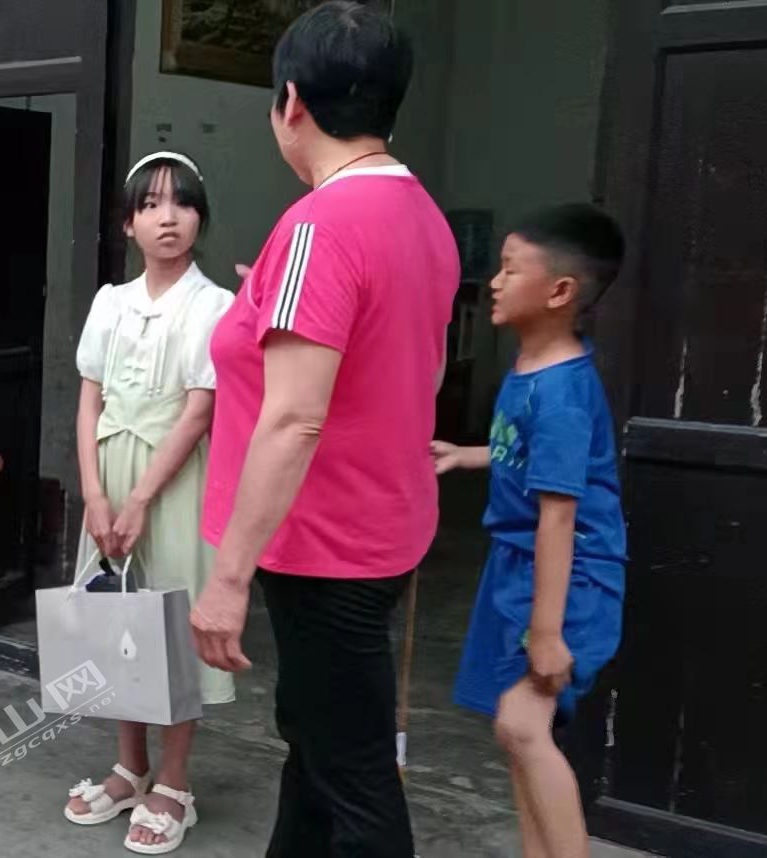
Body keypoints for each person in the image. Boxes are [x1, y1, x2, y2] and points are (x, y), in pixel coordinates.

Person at [187, 3, 458, 855]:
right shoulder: (422, 216)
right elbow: (415, 370)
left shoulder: (320, 223)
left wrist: (228, 579)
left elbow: (295, 417)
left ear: (292, 102)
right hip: (380, 531)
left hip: (322, 545)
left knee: (355, 779)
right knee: (317, 743)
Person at [431, 204, 627, 858]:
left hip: (569, 579)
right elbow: (531, 454)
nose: (494, 281)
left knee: (521, 726)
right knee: (517, 731)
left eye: (511, 270)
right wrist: (471, 454)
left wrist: (546, 632)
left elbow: (559, 516)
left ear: (560, 291)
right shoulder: (530, 369)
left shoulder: (562, 391)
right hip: (517, 568)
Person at [61, 151, 233, 855]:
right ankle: (130, 766)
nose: (168, 217)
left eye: (183, 203)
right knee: (118, 621)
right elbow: (89, 401)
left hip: (174, 482)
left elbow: (199, 412)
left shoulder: (215, 305)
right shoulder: (111, 302)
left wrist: (137, 500)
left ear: (200, 219)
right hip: (109, 475)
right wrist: (95, 493)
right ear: (128, 223)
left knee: (173, 627)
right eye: (151, 204)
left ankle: (174, 782)